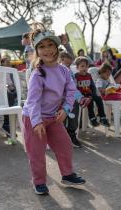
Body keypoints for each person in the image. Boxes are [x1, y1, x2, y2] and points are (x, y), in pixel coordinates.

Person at [22, 29, 86, 195]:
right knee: (36, 153)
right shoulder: (38, 74)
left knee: (64, 145)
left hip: (53, 117)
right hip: (34, 119)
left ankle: (67, 174)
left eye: (51, 45)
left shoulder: (64, 70)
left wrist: (65, 109)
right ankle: (39, 182)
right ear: (37, 51)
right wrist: (36, 122)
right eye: (42, 46)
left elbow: (71, 91)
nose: (47, 49)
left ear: (57, 48)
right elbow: (32, 101)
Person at [60, 51, 91, 148]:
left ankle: (71, 135)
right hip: (58, 99)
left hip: (71, 98)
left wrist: (80, 98)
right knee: (61, 118)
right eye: (66, 58)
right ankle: (62, 137)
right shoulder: (57, 70)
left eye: (70, 58)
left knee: (74, 111)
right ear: (61, 59)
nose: (69, 60)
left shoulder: (70, 72)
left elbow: (73, 88)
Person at [74, 56, 110, 127]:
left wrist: (92, 94)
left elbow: (93, 86)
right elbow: (74, 88)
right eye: (82, 66)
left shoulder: (89, 75)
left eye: (86, 66)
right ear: (77, 68)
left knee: (99, 99)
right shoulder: (76, 76)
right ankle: (92, 119)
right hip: (81, 96)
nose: (84, 68)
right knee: (89, 102)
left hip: (89, 94)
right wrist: (81, 97)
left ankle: (102, 117)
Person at [0, 57, 18, 139]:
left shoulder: (12, 71)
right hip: (3, 91)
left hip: (13, 90)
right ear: (2, 63)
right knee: (9, 95)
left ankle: (9, 126)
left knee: (16, 96)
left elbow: (16, 83)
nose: (9, 63)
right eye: (7, 62)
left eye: (9, 62)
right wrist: (8, 87)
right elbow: (0, 83)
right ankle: (6, 125)